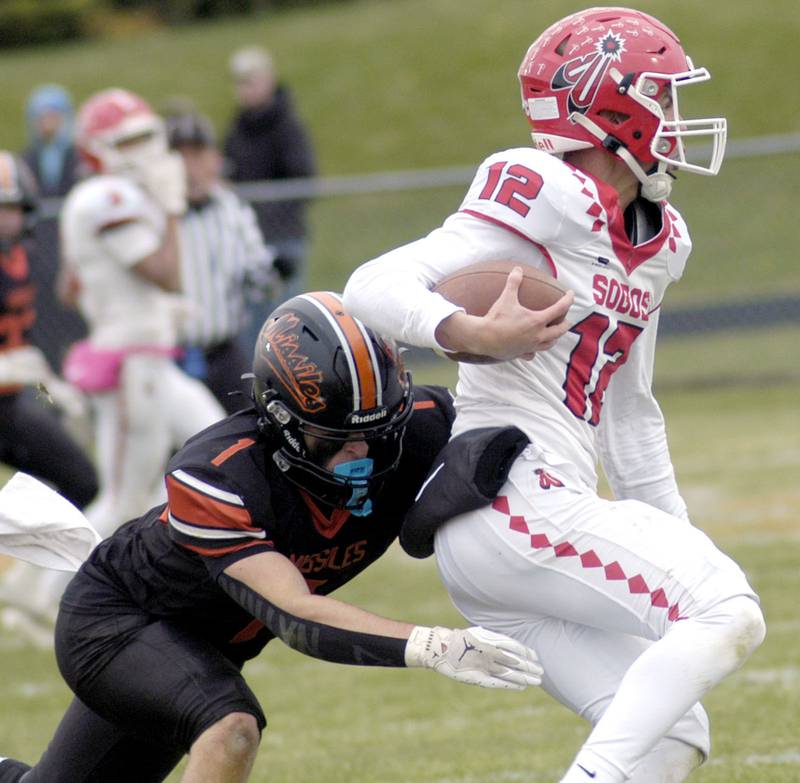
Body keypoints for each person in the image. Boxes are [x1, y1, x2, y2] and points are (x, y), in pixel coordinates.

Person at [343, 8, 765, 783]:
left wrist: (677, 538)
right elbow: (371, 286)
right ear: (610, 106)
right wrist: (467, 332)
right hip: (513, 500)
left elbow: (632, 414)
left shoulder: (663, 240)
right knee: (730, 608)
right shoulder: (544, 186)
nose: (675, 118)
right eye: (661, 97)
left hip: (517, 531)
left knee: (673, 733)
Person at [0, 292, 542, 783]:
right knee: (230, 728)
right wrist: (430, 644)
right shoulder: (218, 475)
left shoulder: (419, 423)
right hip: (120, 622)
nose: (366, 454)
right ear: (282, 421)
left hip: (206, 645)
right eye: (341, 438)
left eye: (380, 433)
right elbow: (293, 613)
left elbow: (521, 431)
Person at [58, 88, 226, 563]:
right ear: (99, 148)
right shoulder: (108, 196)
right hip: (134, 365)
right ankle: (45, 589)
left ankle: (192, 559)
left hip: (150, 358)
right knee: (125, 498)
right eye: (129, 141)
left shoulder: (101, 196)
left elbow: (69, 287)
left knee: (215, 447)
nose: (147, 150)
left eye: (147, 136)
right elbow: (167, 274)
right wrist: (172, 206)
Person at [0, 151, 98, 641]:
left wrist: (52, 387)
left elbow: (25, 345)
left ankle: (22, 586)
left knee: (80, 481)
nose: (7, 218)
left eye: (12, 207)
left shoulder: (21, 257)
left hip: (11, 404)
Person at [166, 110, 278, 414]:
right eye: (179, 156)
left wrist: (270, 273)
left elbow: (258, 276)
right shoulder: (156, 213)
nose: (189, 168)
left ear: (214, 159)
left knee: (251, 431)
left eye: (197, 155)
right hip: (171, 355)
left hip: (223, 350)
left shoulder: (231, 208)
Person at [223, 45, 317, 359]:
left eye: (251, 80)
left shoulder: (286, 126)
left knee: (286, 323)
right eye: (240, 81)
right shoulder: (238, 129)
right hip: (248, 243)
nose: (245, 89)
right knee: (251, 327)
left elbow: (302, 177)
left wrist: (267, 211)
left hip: (282, 238)